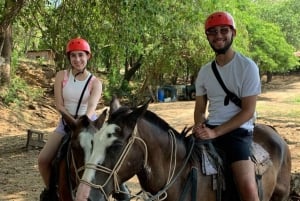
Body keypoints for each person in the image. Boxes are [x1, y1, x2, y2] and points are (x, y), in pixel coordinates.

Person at [193, 11, 261, 201]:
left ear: (234, 33)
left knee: (247, 188)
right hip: (210, 129)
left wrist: (216, 133)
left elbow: (248, 111)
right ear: (207, 36)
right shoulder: (205, 71)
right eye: (212, 32)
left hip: (238, 132)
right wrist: (199, 125)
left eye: (224, 30)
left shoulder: (247, 67)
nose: (218, 36)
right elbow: (200, 108)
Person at [38, 37, 103, 199]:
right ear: (69, 58)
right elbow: (59, 104)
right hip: (66, 123)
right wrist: (71, 122)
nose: (77, 59)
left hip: (88, 124)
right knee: (43, 160)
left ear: (88, 56)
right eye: (73, 56)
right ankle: (53, 191)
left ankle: (121, 189)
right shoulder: (62, 75)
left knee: (108, 156)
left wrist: (80, 124)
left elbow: (91, 108)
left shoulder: (95, 82)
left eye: (81, 55)